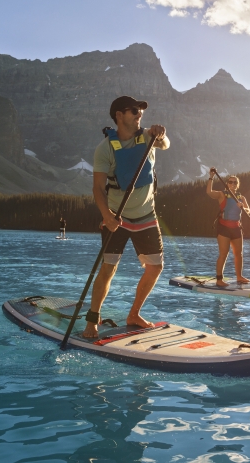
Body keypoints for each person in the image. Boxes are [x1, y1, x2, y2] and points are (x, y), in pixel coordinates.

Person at [83, 95, 171, 338]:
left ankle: (134, 314)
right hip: (117, 218)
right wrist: (107, 216)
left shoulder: (148, 137)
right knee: (108, 269)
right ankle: (92, 321)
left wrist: (160, 135)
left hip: (146, 216)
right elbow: (97, 188)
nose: (139, 114)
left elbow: (165, 145)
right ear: (119, 115)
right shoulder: (104, 149)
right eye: (133, 110)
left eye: (140, 110)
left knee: (156, 267)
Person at [206, 168, 250, 287]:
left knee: (239, 254)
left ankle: (239, 277)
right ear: (227, 184)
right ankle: (219, 279)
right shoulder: (222, 194)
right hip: (224, 228)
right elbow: (209, 192)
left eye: (235, 182)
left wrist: (243, 207)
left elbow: (248, 210)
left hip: (236, 228)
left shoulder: (241, 198)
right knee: (223, 253)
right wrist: (211, 177)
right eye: (230, 182)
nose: (233, 184)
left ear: (238, 185)